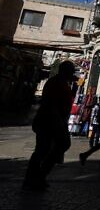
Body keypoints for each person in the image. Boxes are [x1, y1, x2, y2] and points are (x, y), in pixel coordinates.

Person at [23, 61, 76, 190]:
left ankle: (38, 177)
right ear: (65, 71)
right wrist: (59, 123)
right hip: (49, 122)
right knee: (43, 150)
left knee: (50, 148)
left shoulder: (62, 83)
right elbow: (51, 105)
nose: (72, 73)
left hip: (55, 122)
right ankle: (34, 178)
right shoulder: (55, 83)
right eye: (71, 71)